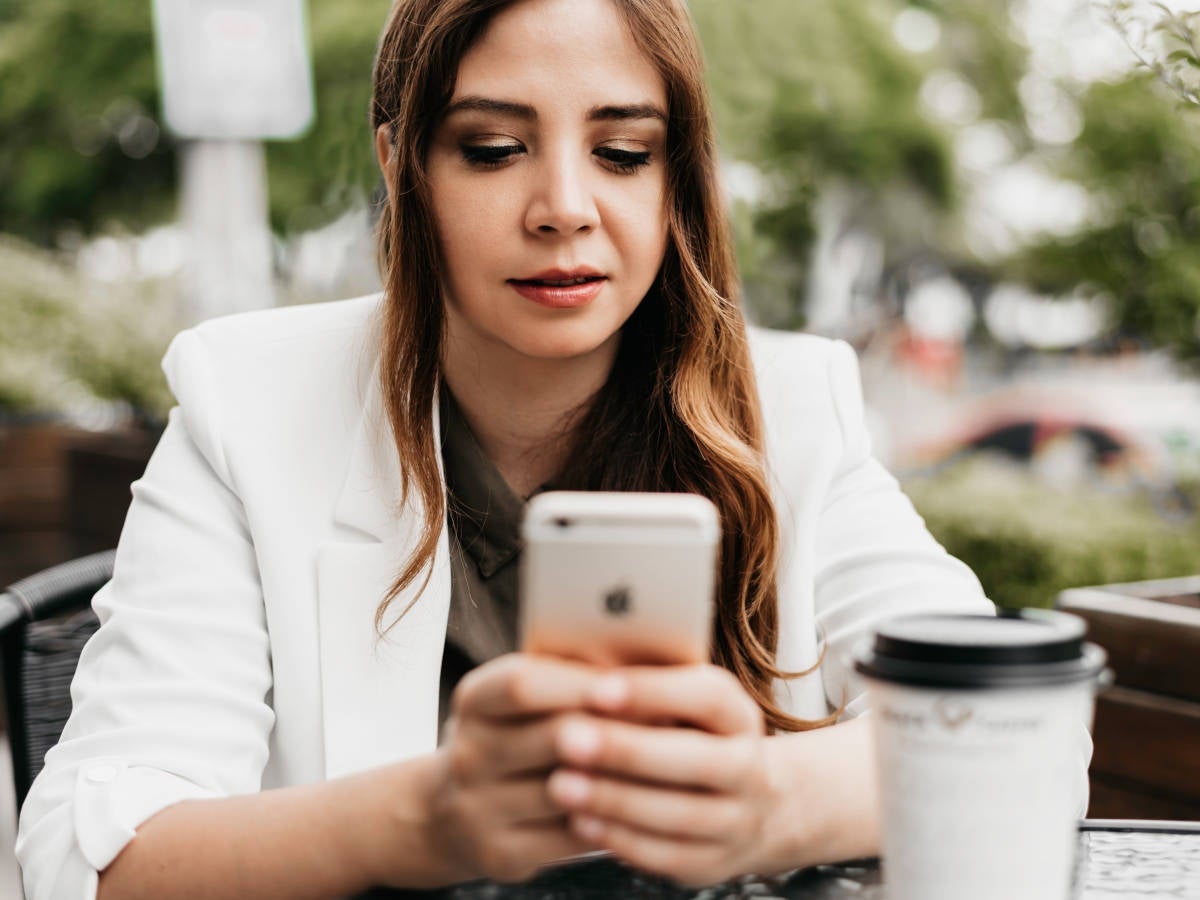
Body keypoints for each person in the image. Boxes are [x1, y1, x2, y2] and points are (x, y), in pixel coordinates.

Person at [16, 0, 1006, 897]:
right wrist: (430, 819)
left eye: (622, 152)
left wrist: (759, 806)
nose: (564, 206)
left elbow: (997, 730)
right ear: (399, 162)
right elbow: (86, 858)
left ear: (679, 176)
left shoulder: (788, 406)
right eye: (492, 148)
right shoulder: (249, 406)